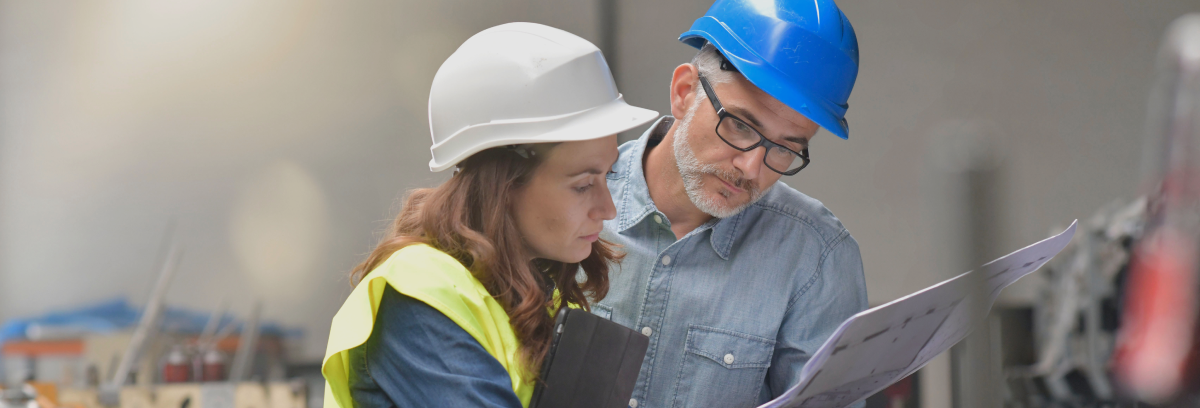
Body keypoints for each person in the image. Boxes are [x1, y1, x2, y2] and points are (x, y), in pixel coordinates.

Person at [320, 22, 657, 408]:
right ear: (504, 184)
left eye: (608, 176)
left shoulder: (530, 292)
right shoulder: (421, 295)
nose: (607, 209)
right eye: (582, 185)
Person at [593, 1, 869, 407]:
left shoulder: (817, 259)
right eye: (740, 125)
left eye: (784, 150)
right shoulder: (570, 198)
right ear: (684, 93)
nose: (751, 167)